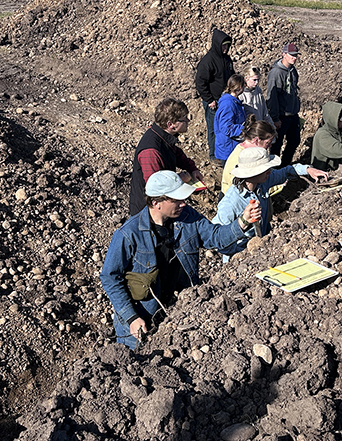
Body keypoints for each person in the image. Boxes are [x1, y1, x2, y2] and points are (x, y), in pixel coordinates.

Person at [101, 170, 261, 349]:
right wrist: (131, 317)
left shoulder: (188, 217)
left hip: (176, 314)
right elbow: (110, 278)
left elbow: (215, 237)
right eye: (176, 200)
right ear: (156, 203)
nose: (184, 203)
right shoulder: (128, 234)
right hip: (139, 321)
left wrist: (242, 222)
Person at [213, 147, 328, 260]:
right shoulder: (230, 202)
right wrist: (240, 253)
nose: (269, 171)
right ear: (252, 173)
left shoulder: (262, 181)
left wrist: (308, 170)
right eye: (265, 169)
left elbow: (286, 172)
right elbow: (216, 237)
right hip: (241, 257)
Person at [129, 98, 205, 216]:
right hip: (148, 212)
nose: (188, 121)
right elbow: (156, 187)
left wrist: (192, 168)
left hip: (163, 206)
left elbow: (176, 153)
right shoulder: (151, 152)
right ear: (171, 125)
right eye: (184, 119)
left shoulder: (163, 137)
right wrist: (180, 179)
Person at [195, 29, 235, 163]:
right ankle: (214, 155)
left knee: (225, 127)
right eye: (223, 45)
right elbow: (200, 83)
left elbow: (232, 76)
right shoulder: (208, 61)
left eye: (227, 45)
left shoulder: (227, 59)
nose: (226, 48)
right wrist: (209, 99)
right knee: (213, 128)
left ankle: (224, 153)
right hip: (213, 101)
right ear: (217, 44)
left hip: (225, 100)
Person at [266, 42, 301, 166]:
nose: (294, 58)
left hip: (292, 114)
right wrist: (275, 118)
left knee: (294, 141)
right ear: (284, 54)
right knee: (276, 144)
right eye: (292, 55)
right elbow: (272, 97)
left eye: (296, 55)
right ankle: (274, 170)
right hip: (282, 115)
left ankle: (285, 166)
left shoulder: (292, 70)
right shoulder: (276, 73)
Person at [221, 117, 276, 193]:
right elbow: (237, 189)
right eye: (267, 143)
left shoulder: (249, 152)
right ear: (256, 140)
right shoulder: (241, 158)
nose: (269, 146)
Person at [213, 74, 246, 163]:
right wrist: (244, 129)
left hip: (232, 146)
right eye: (244, 85)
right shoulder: (228, 104)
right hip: (228, 148)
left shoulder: (233, 101)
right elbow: (226, 127)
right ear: (240, 87)